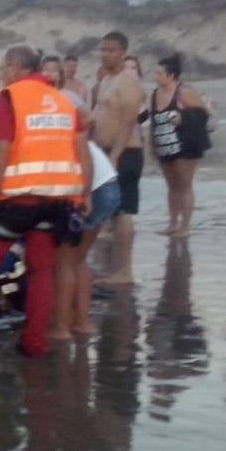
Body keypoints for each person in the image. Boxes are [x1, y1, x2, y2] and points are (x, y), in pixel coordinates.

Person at [0, 45, 90, 359]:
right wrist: (83, 195)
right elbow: (82, 152)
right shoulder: (63, 100)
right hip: (54, 203)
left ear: (15, 69)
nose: (2, 73)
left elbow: (1, 152)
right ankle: (35, 342)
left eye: (5, 68)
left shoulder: (11, 97)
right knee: (41, 271)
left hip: (13, 201)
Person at [48, 142, 121, 340]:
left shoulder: (52, 137)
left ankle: (62, 327)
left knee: (65, 262)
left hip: (93, 191)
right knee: (78, 259)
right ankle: (83, 322)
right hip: (108, 185)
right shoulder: (64, 130)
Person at [90, 32, 144, 286]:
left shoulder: (128, 81)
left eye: (111, 50)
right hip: (105, 151)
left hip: (125, 152)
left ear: (123, 53)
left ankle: (126, 271)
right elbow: (98, 114)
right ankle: (115, 268)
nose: (105, 54)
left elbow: (129, 121)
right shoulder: (106, 80)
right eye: (102, 50)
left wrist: (115, 155)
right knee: (109, 210)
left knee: (123, 211)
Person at [149, 54, 211, 238]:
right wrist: (151, 143)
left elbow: (205, 113)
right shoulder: (155, 94)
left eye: (159, 73)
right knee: (172, 186)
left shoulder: (184, 92)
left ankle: (185, 226)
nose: (155, 76)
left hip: (186, 144)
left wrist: (184, 118)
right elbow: (152, 120)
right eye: (156, 73)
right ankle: (172, 223)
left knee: (184, 184)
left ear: (171, 75)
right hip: (164, 144)